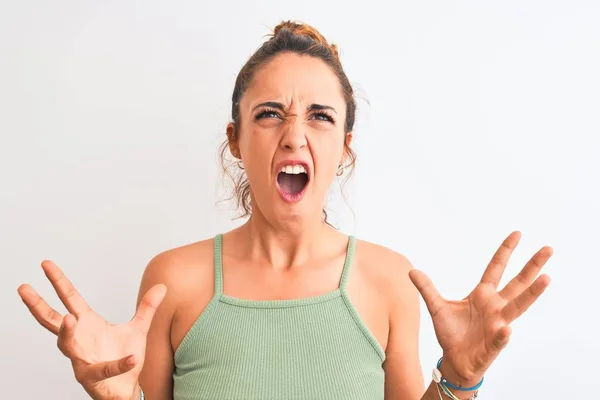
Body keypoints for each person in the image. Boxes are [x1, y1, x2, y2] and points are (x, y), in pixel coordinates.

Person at [17, 20, 552, 400]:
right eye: (270, 114)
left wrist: (459, 376)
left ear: (344, 146)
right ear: (235, 139)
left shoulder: (388, 280)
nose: (295, 136)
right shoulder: (172, 280)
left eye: (319, 117)